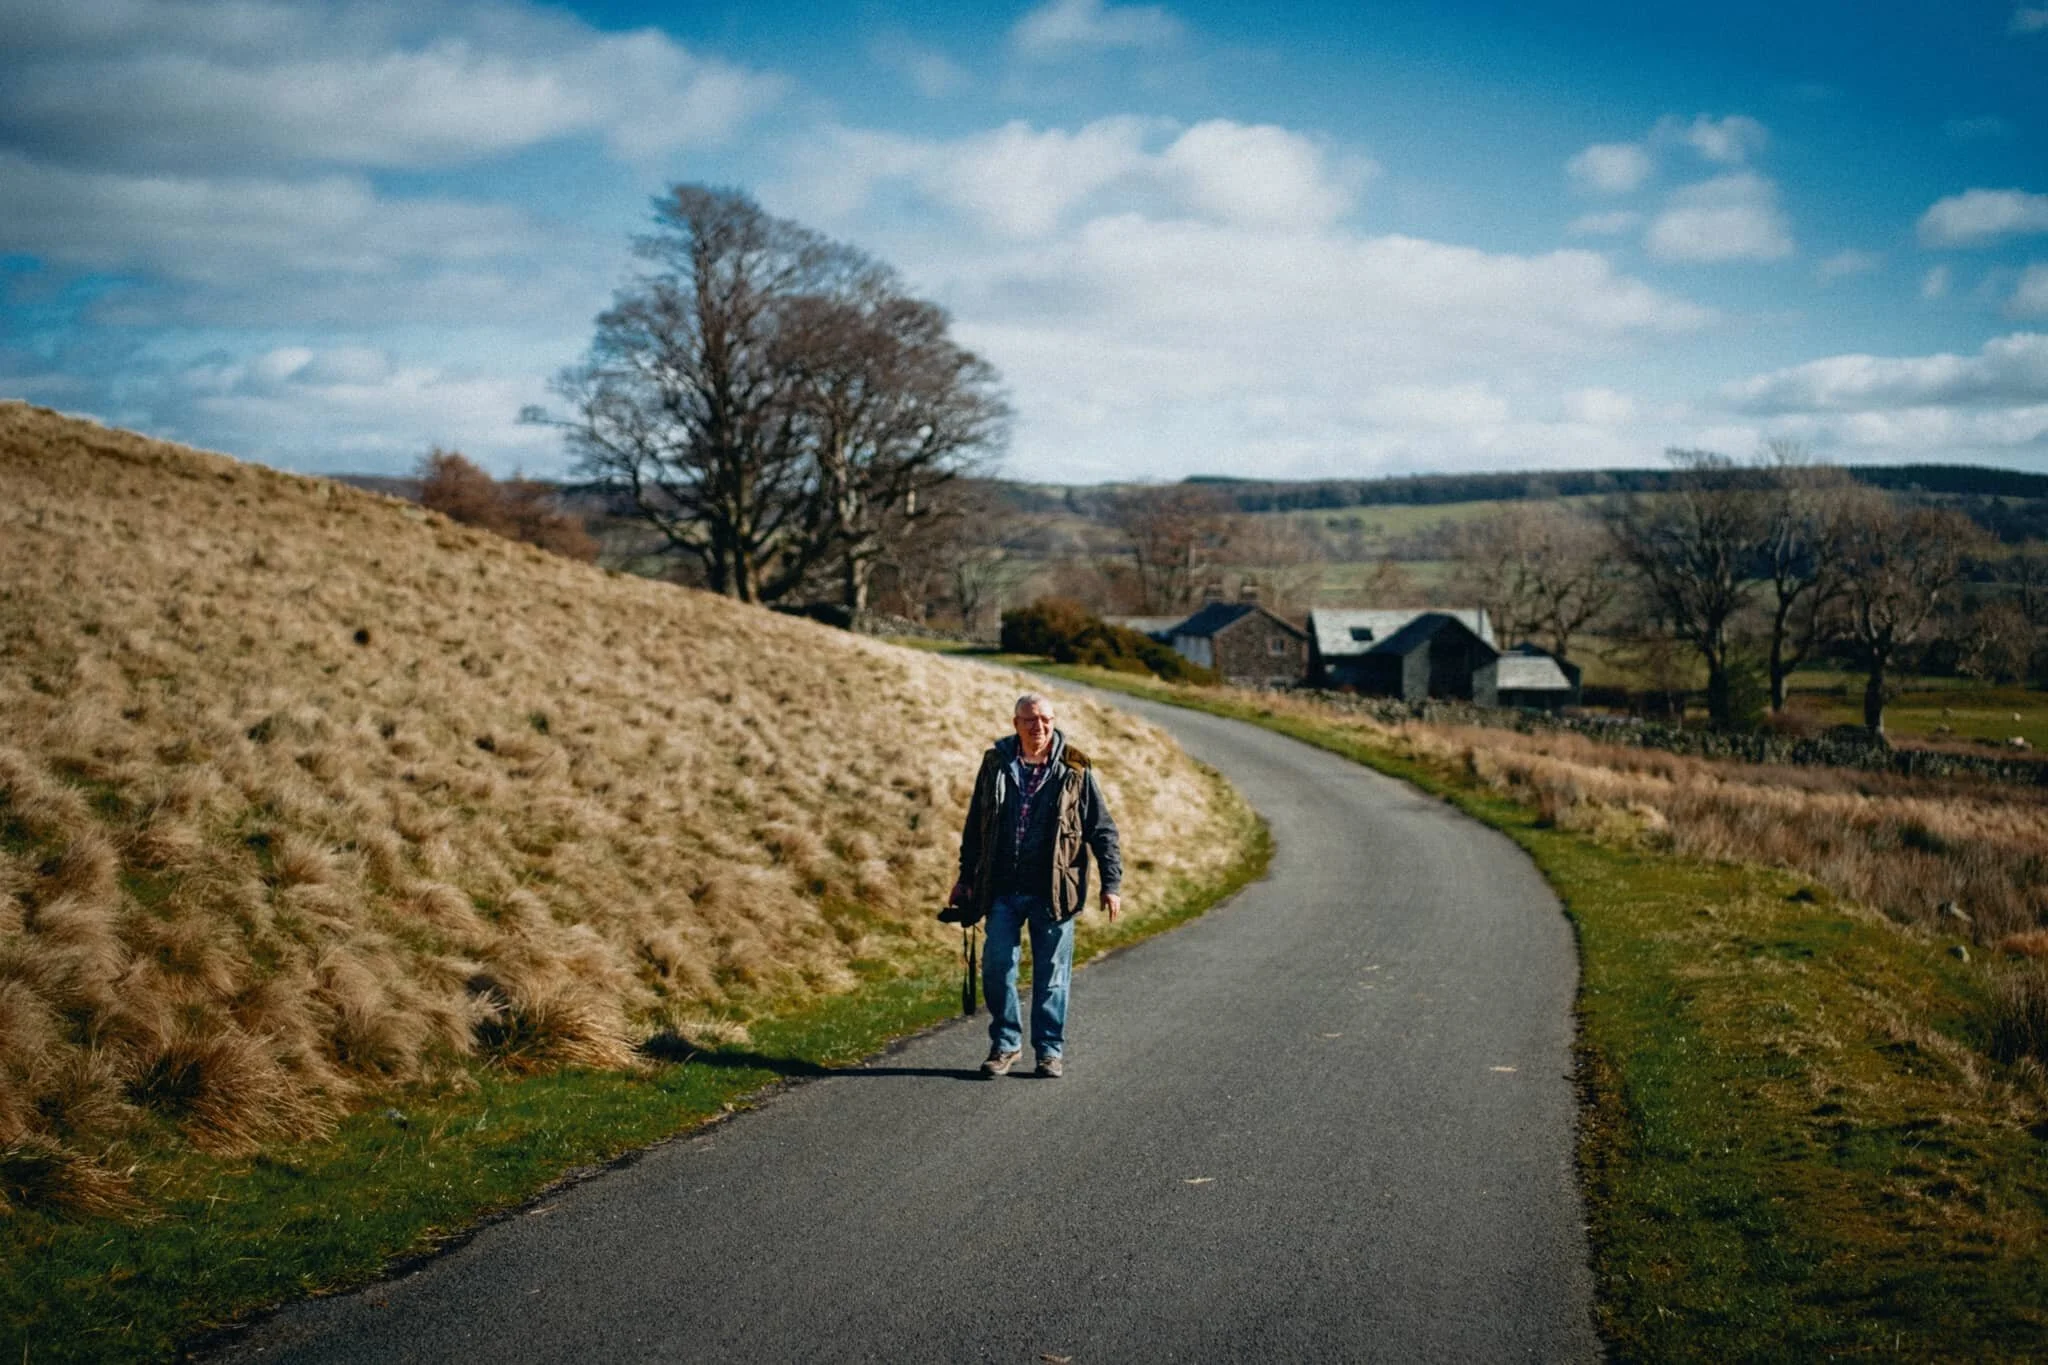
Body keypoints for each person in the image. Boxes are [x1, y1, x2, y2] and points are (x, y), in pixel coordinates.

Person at [948, 693, 1122, 1079]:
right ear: (1015, 724)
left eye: (1044, 719)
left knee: (1052, 977)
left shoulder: (1075, 767)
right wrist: (965, 879)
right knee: (996, 967)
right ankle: (1005, 1045)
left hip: (1055, 891)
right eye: (1029, 720)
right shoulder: (995, 764)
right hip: (1002, 888)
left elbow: (1102, 829)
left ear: (1053, 721)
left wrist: (1111, 883)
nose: (1037, 727)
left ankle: (1048, 1051)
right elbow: (975, 825)